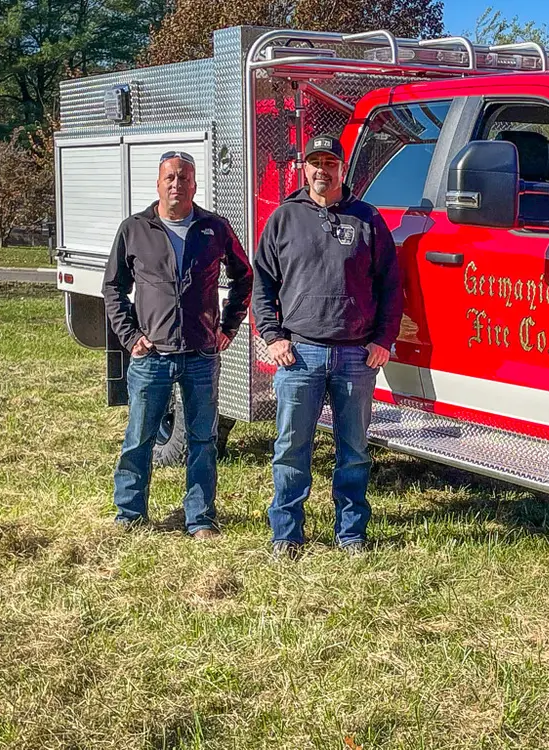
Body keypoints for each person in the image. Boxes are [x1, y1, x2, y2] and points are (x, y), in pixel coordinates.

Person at [252, 134, 401, 559]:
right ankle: (286, 533)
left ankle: (351, 533)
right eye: (315, 162)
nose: (323, 170)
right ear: (305, 168)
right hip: (300, 354)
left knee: (353, 452)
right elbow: (262, 283)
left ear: (342, 168)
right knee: (290, 449)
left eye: (330, 163)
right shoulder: (284, 217)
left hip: (356, 356)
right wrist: (273, 335)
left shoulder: (367, 219)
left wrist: (383, 340)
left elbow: (391, 285)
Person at [102, 150, 253, 539]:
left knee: (203, 440)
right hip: (152, 356)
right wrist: (131, 336)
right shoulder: (135, 229)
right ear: (158, 184)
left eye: (184, 178)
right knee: (139, 437)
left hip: (202, 355)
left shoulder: (214, 228)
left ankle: (200, 518)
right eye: (169, 178)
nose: (176, 184)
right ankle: (130, 514)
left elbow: (244, 276)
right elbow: (114, 288)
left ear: (194, 185)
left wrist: (229, 327)